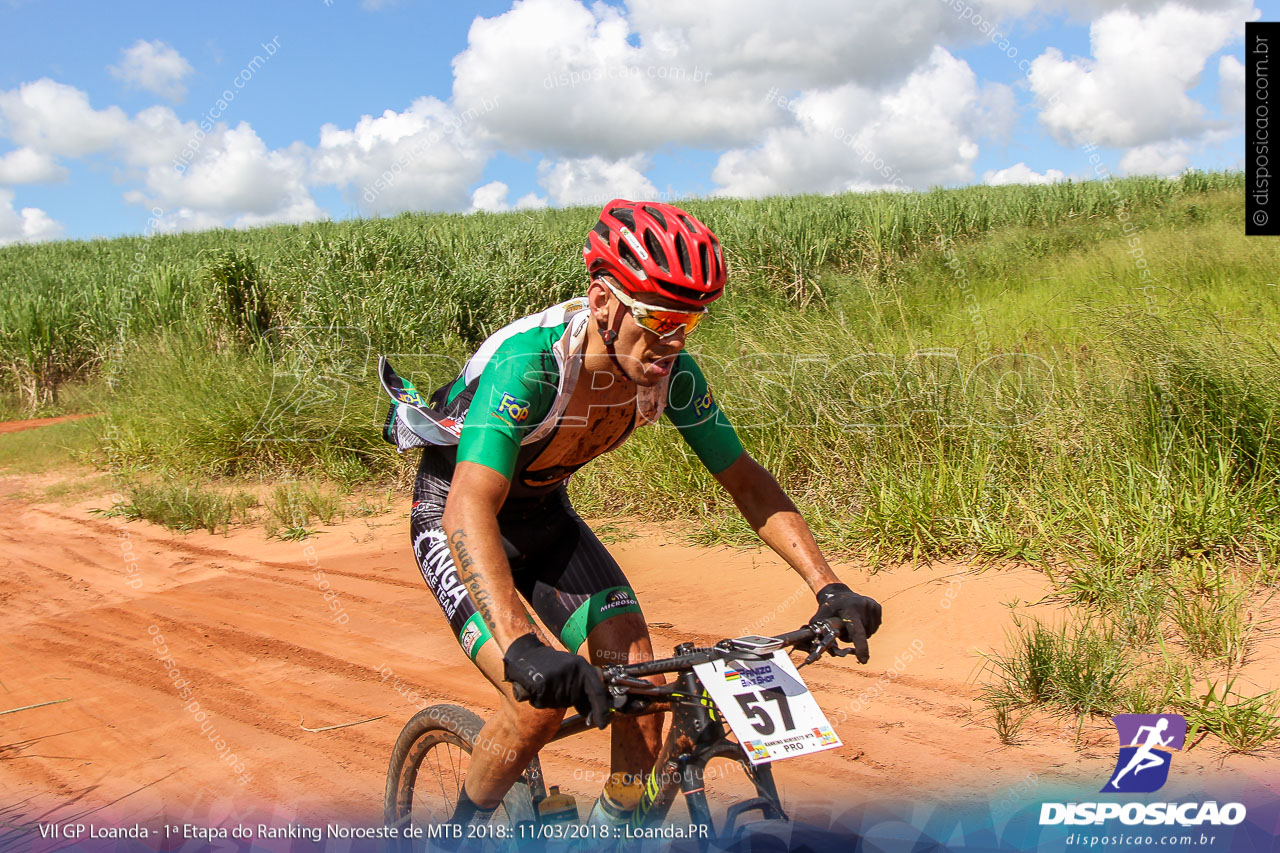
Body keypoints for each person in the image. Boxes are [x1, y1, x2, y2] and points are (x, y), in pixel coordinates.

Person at [379, 199, 882, 827]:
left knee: (640, 685)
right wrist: (518, 645)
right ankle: (454, 837)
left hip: (544, 517)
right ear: (603, 303)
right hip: (459, 517)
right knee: (535, 703)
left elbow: (747, 482)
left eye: (689, 324)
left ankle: (611, 832)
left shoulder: (668, 375)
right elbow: (468, 506)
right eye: (657, 318)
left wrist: (828, 584)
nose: (671, 343)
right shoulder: (530, 364)